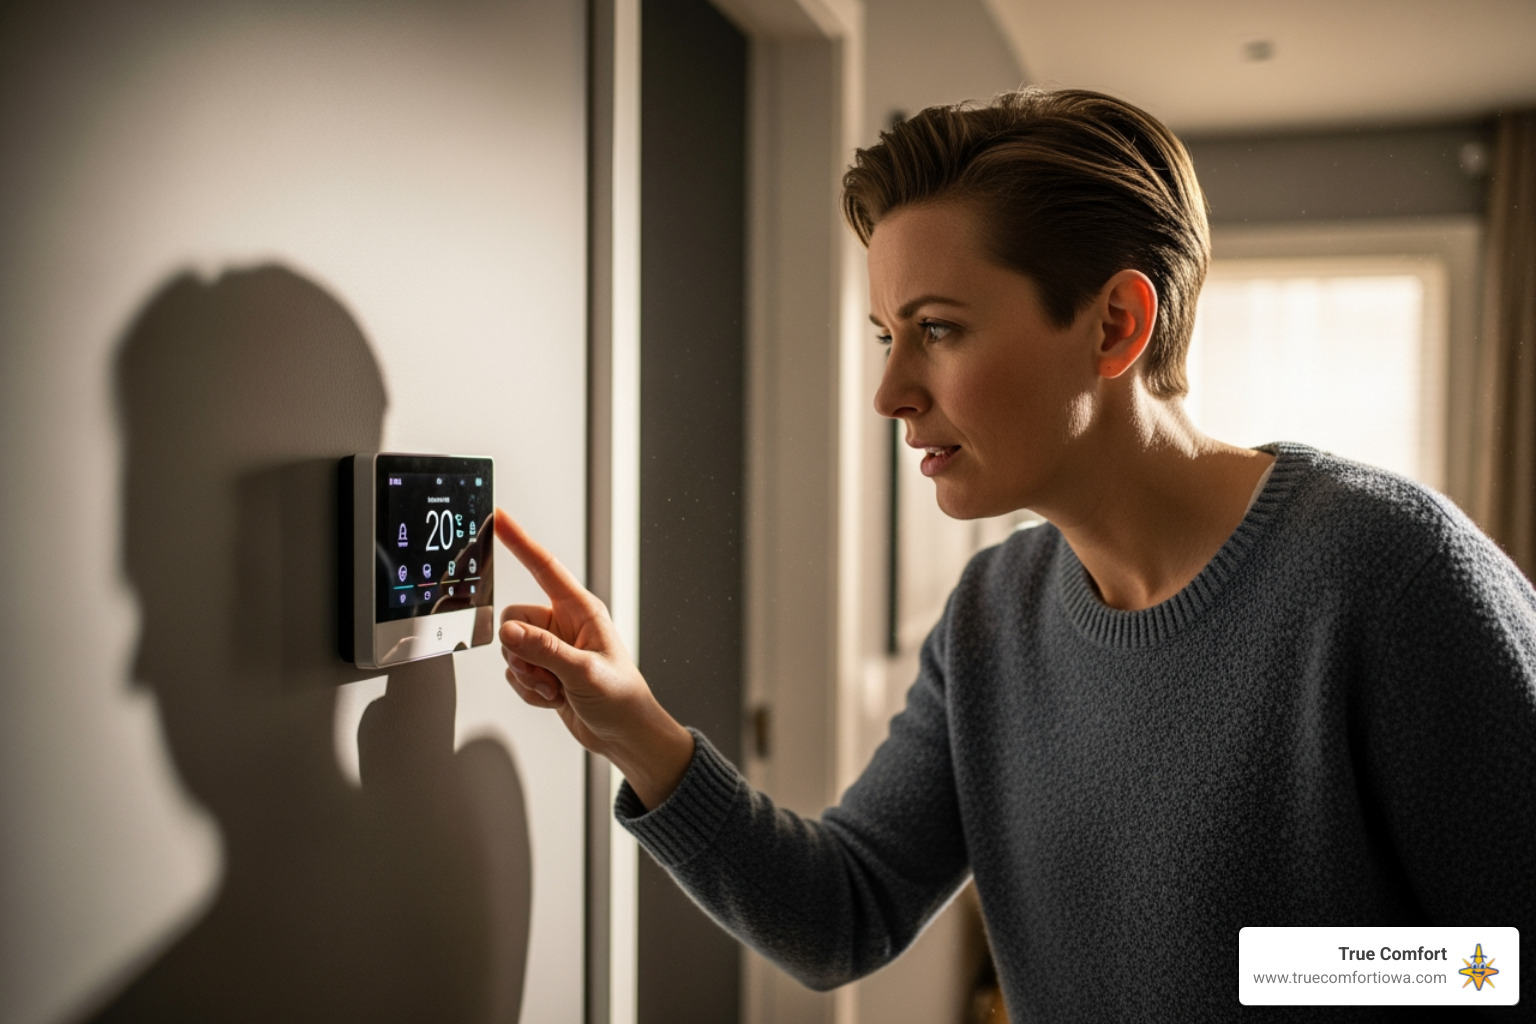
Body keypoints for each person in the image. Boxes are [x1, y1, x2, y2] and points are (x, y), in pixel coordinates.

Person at [495, 88, 1536, 1021]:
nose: (890, 392)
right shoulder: (994, 612)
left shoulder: (1389, 574)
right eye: (883, 336)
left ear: (1117, 325)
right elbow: (842, 915)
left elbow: (1505, 959)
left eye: (938, 329)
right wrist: (639, 730)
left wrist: (1267, 970)